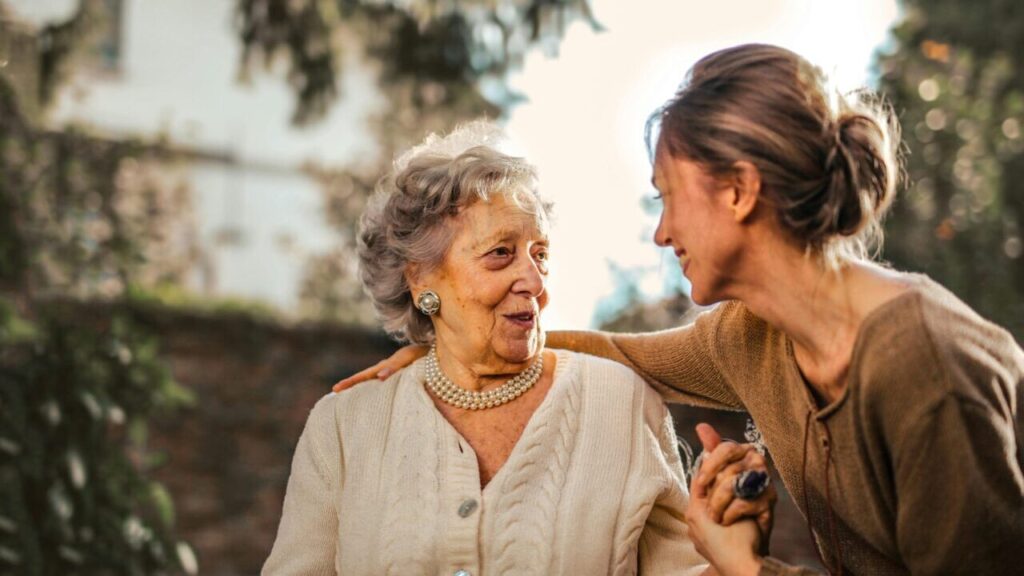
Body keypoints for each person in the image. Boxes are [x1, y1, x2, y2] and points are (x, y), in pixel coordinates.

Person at [333, 44, 1024, 575]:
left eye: (667, 196)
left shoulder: (922, 367)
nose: (661, 233)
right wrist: (451, 345)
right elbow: (614, 352)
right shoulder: (751, 337)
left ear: (739, 191)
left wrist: (744, 568)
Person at [262, 122, 743, 575]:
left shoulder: (621, 403)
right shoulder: (344, 427)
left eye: (541, 254)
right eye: (500, 254)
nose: (534, 282)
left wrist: (735, 552)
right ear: (421, 279)